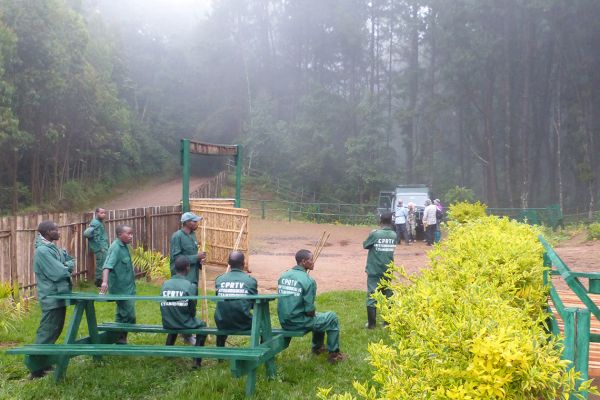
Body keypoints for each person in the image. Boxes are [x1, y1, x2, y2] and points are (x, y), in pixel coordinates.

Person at [25, 221, 75, 379]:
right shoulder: (43, 252)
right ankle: (35, 368)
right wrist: (66, 266)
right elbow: (59, 272)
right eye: (55, 229)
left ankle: (44, 363)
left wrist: (66, 265)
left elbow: (71, 261)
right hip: (51, 296)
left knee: (55, 330)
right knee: (47, 331)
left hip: (59, 295)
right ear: (47, 232)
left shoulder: (54, 248)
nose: (59, 232)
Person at [277, 250, 346, 363]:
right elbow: (309, 310)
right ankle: (334, 354)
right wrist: (312, 313)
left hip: (284, 321)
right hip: (298, 322)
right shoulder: (308, 281)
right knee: (331, 317)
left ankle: (318, 348)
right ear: (303, 262)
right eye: (311, 260)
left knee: (320, 317)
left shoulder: (283, 275)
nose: (313, 262)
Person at [161, 256, 207, 368]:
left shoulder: (165, 284)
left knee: (175, 320)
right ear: (187, 268)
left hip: (168, 322)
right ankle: (196, 361)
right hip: (183, 322)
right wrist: (190, 318)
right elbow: (192, 310)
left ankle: (168, 352)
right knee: (203, 327)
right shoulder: (190, 286)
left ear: (175, 268)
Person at [169, 211, 206, 345]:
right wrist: (196, 257)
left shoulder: (193, 235)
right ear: (187, 222)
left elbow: (192, 256)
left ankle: (187, 332)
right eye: (194, 221)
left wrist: (200, 261)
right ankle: (185, 334)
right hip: (182, 278)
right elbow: (177, 258)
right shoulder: (177, 236)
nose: (197, 223)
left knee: (192, 305)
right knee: (182, 305)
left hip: (193, 276)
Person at [100, 225, 136, 344]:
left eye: (132, 234)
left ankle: (120, 339)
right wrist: (104, 282)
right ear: (120, 235)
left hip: (128, 287)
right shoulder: (115, 248)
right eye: (128, 234)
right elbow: (106, 266)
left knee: (122, 313)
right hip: (121, 290)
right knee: (129, 314)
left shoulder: (124, 246)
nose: (131, 236)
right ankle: (118, 337)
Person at [214, 251, 257, 348]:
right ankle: (262, 351)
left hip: (222, 322)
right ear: (243, 264)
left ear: (228, 263)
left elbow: (219, 299)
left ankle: (220, 354)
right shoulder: (250, 281)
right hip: (243, 322)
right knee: (262, 325)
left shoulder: (219, 279)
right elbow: (254, 304)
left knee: (225, 313)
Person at [363, 212, 396, 329]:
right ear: (391, 221)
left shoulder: (375, 234)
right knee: (387, 294)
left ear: (380, 221)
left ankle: (371, 324)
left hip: (374, 269)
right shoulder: (394, 235)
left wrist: (371, 234)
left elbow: (365, 245)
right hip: (387, 269)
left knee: (372, 295)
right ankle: (387, 322)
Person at [83, 207, 109, 288]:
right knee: (101, 264)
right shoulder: (96, 223)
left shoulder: (98, 222)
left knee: (102, 263)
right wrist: (100, 247)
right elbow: (96, 237)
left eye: (104, 213)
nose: (103, 214)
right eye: (101, 213)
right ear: (97, 213)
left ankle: (101, 281)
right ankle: (99, 282)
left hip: (103, 246)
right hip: (101, 248)